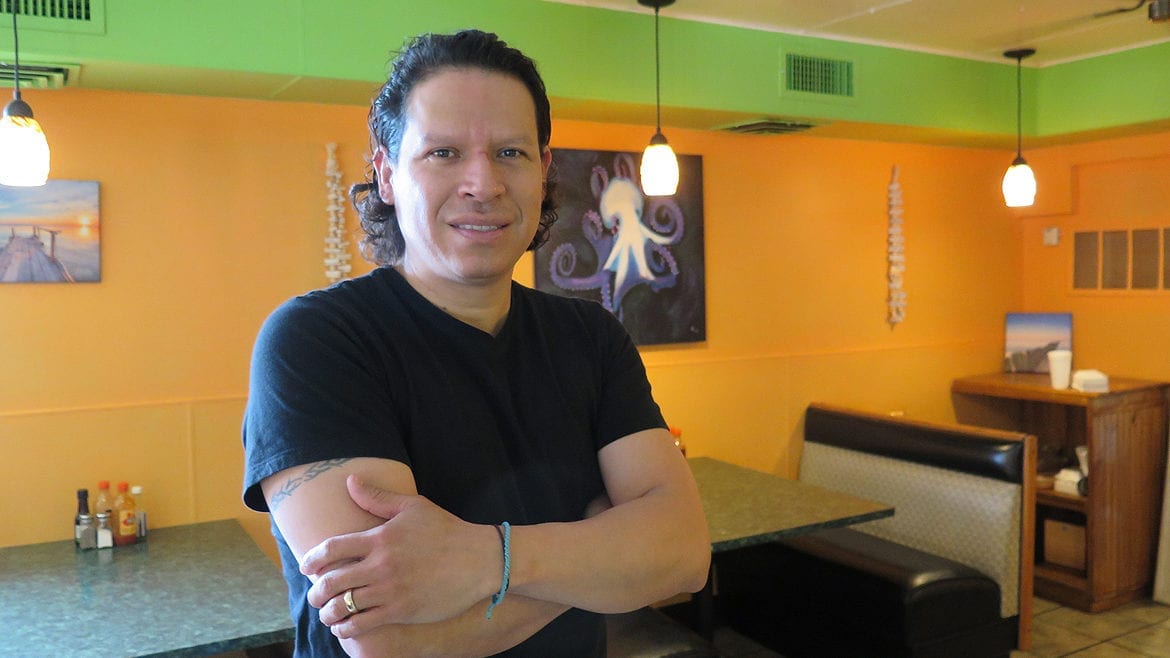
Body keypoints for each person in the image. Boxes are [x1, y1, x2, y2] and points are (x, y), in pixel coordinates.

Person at [242, 29, 710, 657]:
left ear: (544, 172)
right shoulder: (319, 341)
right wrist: (603, 547)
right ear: (385, 173)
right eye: (443, 153)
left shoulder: (592, 337)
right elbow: (390, 641)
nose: (482, 183)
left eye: (511, 152)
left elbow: (682, 556)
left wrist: (484, 560)